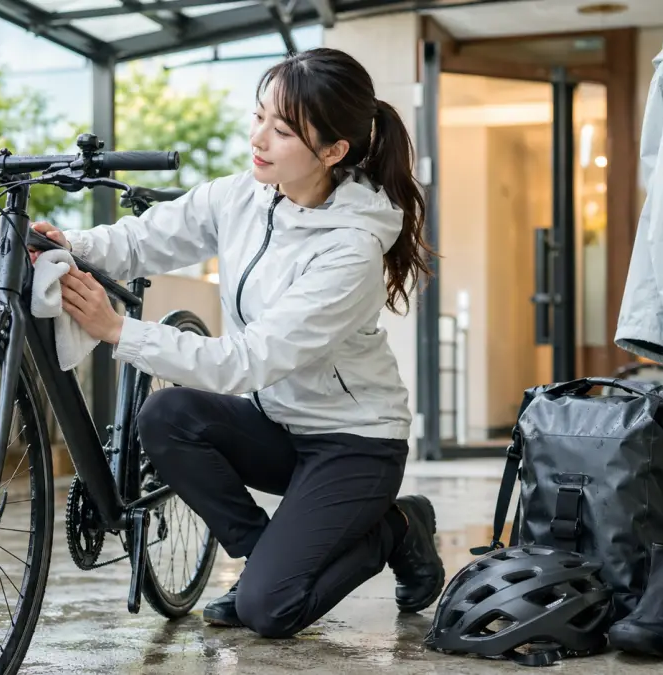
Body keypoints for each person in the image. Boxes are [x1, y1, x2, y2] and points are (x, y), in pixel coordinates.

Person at [29, 47, 445, 639]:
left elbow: (248, 362)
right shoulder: (239, 196)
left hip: (354, 445)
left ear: (333, 151)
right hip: (277, 426)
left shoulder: (350, 251)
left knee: (268, 612)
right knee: (167, 414)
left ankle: (397, 526)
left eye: (282, 130)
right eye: (259, 118)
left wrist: (117, 329)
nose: (260, 138)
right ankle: (260, 558)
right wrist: (71, 241)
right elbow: (146, 240)